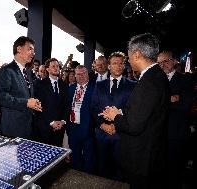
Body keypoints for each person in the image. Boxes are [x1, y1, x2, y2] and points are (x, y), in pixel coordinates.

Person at [101, 33, 170, 189]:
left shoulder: (148, 82)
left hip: (142, 157)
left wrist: (115, 116)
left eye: (128, 56)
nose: (128, 61)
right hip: (151, 152)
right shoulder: (157, 76)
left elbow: (133, 126)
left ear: (137, 54)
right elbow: (145, 114)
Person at [91, 51, 136, 180]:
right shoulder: (99, 85)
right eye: (114, 63)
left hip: (121, 135)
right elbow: (93, 108)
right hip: (102, 134)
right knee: (102, 168)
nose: (118, 66)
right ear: (109, 66)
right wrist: (102, 124)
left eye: (121, 63)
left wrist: (118, 125)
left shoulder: (132, 85)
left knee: (120, 170)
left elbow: (132, 110)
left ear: (124, 66)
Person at [158, 51, 194, 189]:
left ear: (173, 61)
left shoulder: (185, 80)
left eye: (166, 61)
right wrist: (171, 99)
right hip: (158, 134)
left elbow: (184, 106)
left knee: (174, 172)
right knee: (159, 171)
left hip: (176, 134)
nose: (163, 65)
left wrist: (162, 101)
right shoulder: (156, 80)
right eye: (160, 63)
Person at [0, 36, 42, 139]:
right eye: (30, 49)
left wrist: (34, 103)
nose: (33, 53)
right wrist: (26, 103)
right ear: (19, 49)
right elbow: (1, 97)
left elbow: (26, 95)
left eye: (33, 50)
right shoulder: (7, 70)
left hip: (28, 128)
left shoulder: (28, 72)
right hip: (12, 130)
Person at [66, 65, 96, 174]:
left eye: (83, 73)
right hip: (73, 130)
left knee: (89, 161)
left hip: (88, 130)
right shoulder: (70, 89)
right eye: (78, 74)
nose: (81, 76)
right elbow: (66, 109)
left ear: (87, 75)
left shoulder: (95, 88)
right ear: (75, 76)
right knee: (75, 160)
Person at [34, 58, 68, 146]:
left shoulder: (64, 85)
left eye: (57, 66)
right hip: (45, 128)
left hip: (60, 129)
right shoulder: (40, 85)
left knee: (58, 156)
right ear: (48, 69)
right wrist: (52, 122)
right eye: (53, 66)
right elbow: (38, 106)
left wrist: (63, 121)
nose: (56, 68)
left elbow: (66, 106)